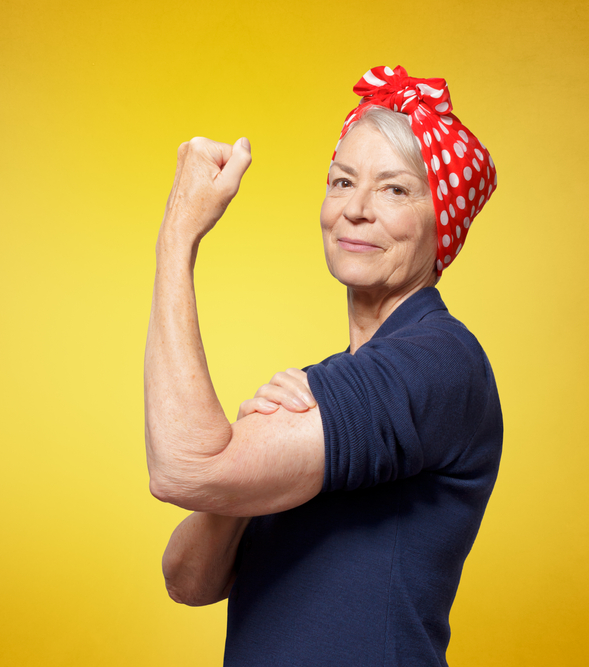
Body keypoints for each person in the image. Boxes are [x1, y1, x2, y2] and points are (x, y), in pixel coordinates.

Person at [144, 65, 502, 666]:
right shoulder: (322, 388)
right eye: (341, 182)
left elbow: (182, 468)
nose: (356, 209)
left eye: (394, 189)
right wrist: (240, 473)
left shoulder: (438, 362)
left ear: (443, 222)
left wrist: (178, 236)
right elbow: (189, 580)